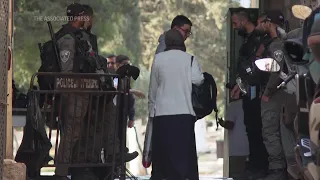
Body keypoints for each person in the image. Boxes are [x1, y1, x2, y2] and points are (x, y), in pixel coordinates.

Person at [148, 28, 204, 180]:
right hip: (184, 113)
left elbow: (153, 88)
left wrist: (151, 110)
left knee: (163, 154)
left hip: (162, 114)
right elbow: (198, 80)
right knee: (184, 154)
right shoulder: (190, 59)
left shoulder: (158, 59)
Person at [230, 8, 269, 179]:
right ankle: (254, 164)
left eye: (235, 23)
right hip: (248, 89)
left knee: (256, 127)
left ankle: (260, 166)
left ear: (243, 21)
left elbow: (257, 67)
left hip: (256, 90)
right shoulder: (248, 39)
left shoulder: (258, 39)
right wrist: (239, 84)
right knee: (250, 127)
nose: (233, 27)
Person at [54, 3, 90, 179]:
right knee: (70, 132)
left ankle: (67, 170)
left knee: (75, 132)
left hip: (79, 92)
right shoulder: (68, 38)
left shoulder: (77, 36)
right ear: (79, 17)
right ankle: (61, 172)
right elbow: (66, 70)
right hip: (73, 92)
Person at [255, 11, 292, 180]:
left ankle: (277, 170)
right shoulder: (278, 42)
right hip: (282, 92)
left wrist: (268, 92)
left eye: (262, 22)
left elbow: (275, 71)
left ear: (269, 23)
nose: (260, 26)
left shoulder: (276, 45)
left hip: (275, 93)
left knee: (270, 131)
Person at [218, 84, 249, 179]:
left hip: (237, 150)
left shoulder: (233, 106)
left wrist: (221, 122)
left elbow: (230, 125)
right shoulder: (249, 105)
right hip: (249, 148)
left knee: (236, 175)